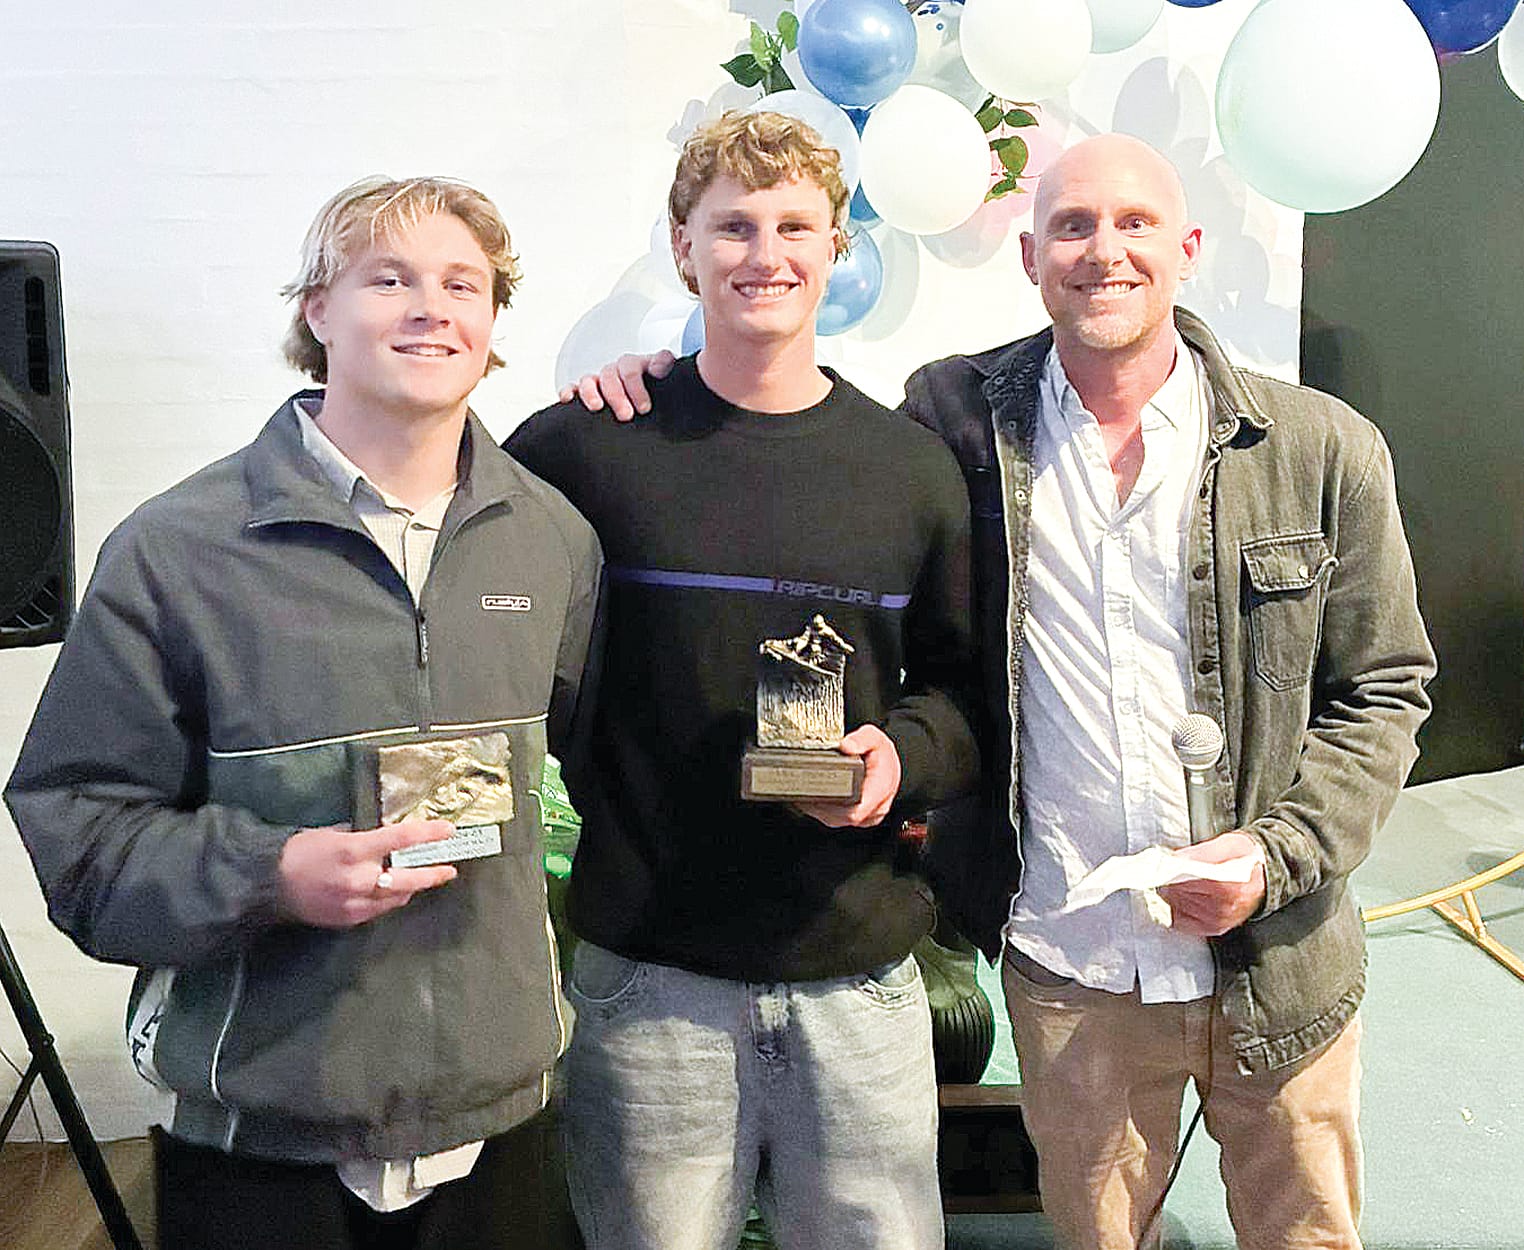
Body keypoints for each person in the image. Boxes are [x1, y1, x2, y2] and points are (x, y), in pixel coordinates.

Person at [569, 133, 1436, 1250]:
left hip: (1273, 960)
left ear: (1189, 246)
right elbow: (805, 466)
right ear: (1031, 255)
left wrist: (1280, 854)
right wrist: (633, 377)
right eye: (1073, 225)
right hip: (1069, 956)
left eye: (1134, 223)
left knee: (1305, 1233)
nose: (1103, 251)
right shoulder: (961, 421)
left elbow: (1386, 687)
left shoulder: (1320, 448)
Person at [5, 176, 602, 1250]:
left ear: (492, 321)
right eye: (390, 278)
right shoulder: (178, 549)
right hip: (260, 1140)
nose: (432, 307)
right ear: (318, 310)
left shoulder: (551, 538)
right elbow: (79, 830)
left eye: (463, 283)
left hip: (503, 1125)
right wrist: (269, 872)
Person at [505, 111, 980, 1250]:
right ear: (683, 247)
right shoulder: (584, 449)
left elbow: (965, 697)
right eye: (732, 226)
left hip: (857, 973)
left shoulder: (913, 469)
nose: (763, 252)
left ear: (838, 249)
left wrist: (896, 759)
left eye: (793, 225)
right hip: (649, 984)